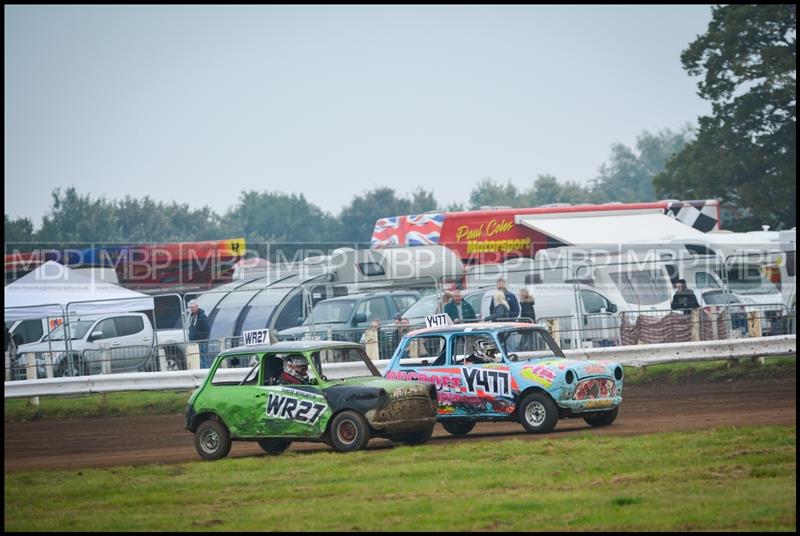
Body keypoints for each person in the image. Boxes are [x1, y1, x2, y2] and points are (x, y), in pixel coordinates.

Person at [188, 299, 211, 368]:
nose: (191, 308)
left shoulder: (202, 316)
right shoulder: (192, 316)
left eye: (192, 307)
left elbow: (207, 330)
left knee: (202, 358)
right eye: (190, 307)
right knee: (199, 358)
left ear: (197, 306)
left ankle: (205, 372)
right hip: (195, 342)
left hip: (201, 342)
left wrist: (201, 339)